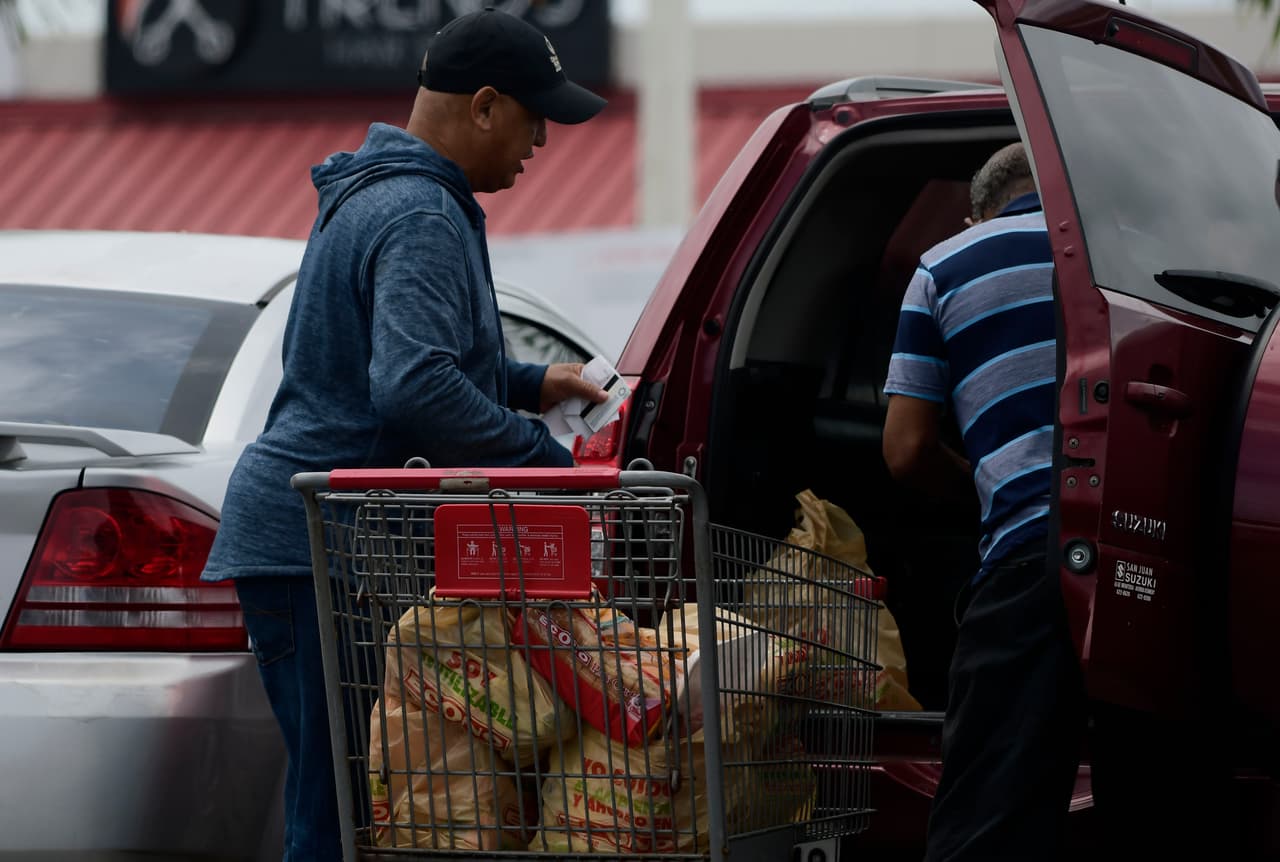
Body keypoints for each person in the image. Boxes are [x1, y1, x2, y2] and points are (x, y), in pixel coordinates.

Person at [200, 9, 608, 860]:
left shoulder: (387, 192)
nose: (540, 144)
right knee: (341, 805)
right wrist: (544, 459)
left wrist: (533, 383)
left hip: (322, 544)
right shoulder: (419, 212)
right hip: (318, 548)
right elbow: (411, 384)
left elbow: (391, 358)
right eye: (536, 120)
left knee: (351, 797)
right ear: (486, 106)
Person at [881, 142, 1084, 861]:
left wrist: (985, 484)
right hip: (1151, 551)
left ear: (976, 215)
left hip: (1029, 562)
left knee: (986, 825)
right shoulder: (1117, 256)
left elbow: (905, 450)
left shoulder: (947, 264)